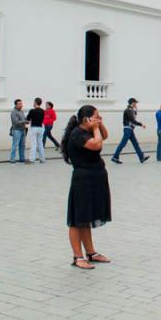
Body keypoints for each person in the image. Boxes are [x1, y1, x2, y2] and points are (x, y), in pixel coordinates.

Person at [62, 105, 112, 270]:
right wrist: (96, 127)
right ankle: (78, 256)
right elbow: (97, 145)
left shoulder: (90, 130)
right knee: (78, 219)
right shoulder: (78, 134)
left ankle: (91, 252)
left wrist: (100, 124)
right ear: (86, 119)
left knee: (87, 218)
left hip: (94, 178)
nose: (98, 119)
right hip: (82, 180)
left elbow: (104, 136)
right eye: (96, 116)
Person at [111, 98, 149, 164]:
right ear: (132, 103)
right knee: (123, 143)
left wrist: (136, 110)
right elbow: (133, 120)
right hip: (128, 129)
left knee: (135, 144)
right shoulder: (128, 110)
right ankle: (115, 157)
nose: (136, 104)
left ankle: (141, 157)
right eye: (135, 103)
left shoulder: (131, 110)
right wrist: (141, 124)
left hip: (130, 129)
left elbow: (133, 118)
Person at [27, 98, 46, 164]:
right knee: (40, 144)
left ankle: (32, 159)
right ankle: (42, 159)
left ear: (35, 102)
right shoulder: (43, 111)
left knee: (33, 144)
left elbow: (28, 119)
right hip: (41, 128)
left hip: (34, 128)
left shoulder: (32, 110)